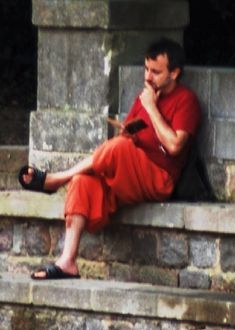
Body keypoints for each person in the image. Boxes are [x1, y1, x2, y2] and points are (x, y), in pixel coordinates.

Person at [18, 38, 201, 280]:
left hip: (158, 177)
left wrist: (151, 108)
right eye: (146, 69)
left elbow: (175, 145)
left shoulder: (185, 100)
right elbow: (124, 138)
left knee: (118, 148)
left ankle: (56, 179)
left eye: (156, 72)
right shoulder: (144, 97)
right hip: (129, 175)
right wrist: (127, 129)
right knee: (82, 183)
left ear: (174, 73)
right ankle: (67, 261)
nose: (148, 77)